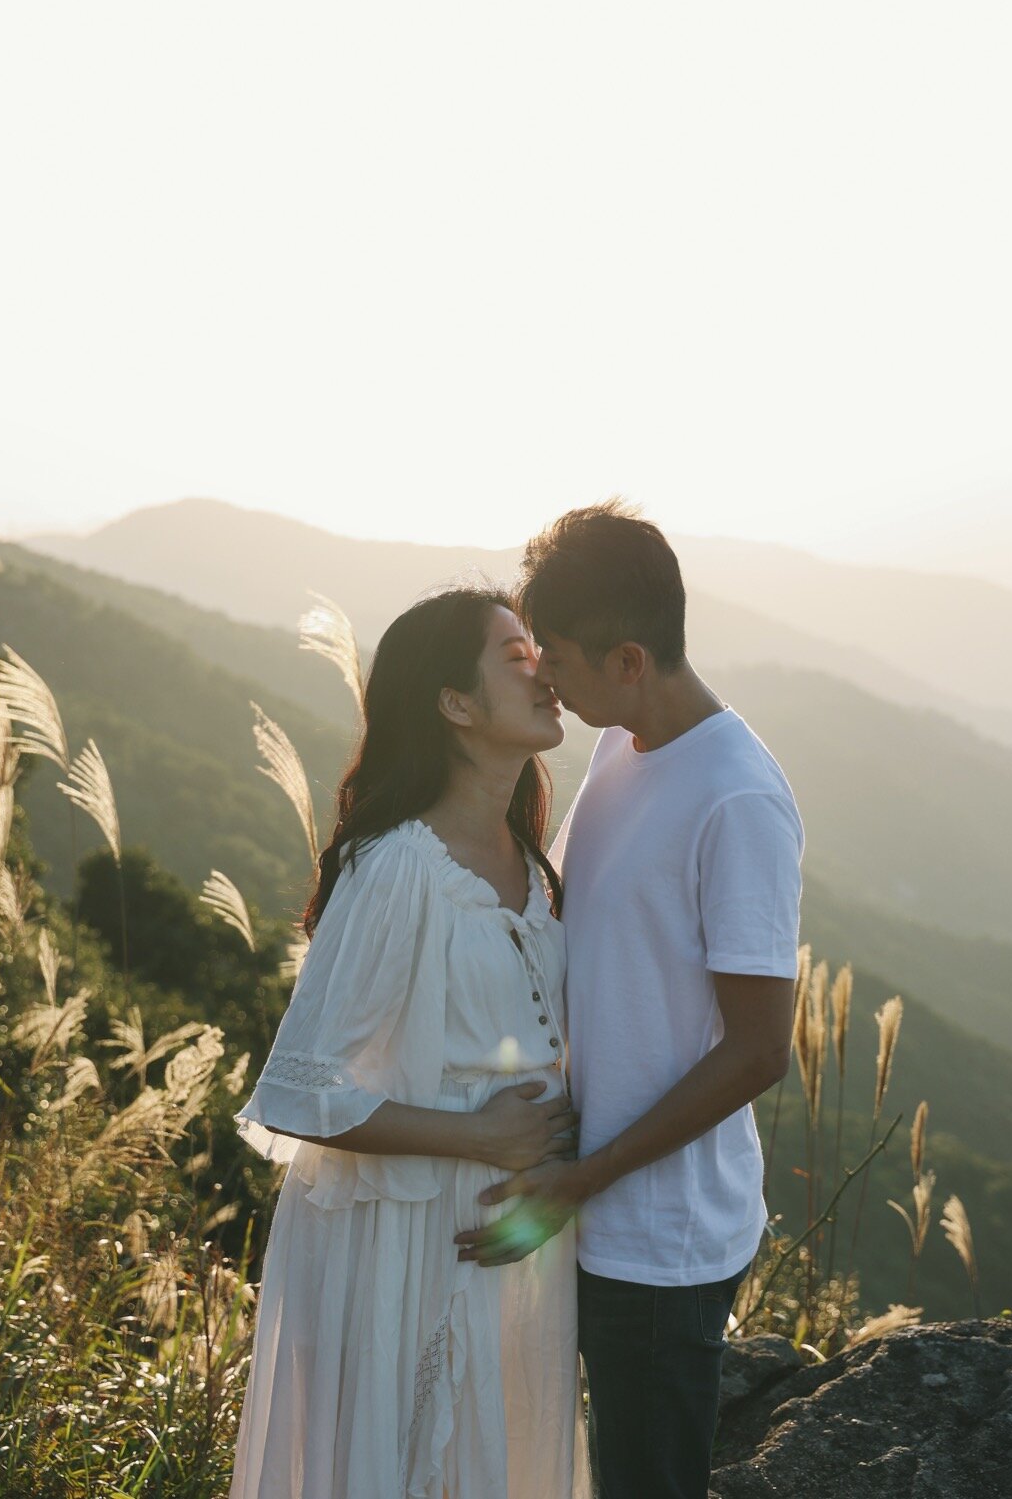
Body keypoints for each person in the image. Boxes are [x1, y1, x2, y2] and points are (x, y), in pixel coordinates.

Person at [455, 502, 803, 1499]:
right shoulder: (618, 747)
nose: (540, 676)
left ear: (628, 659)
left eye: (554, 655)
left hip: (661, 1236)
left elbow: (756, 1052)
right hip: (596, 1203)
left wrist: (588, 1174)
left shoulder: (735, 797)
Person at [229, 587, 590, 1499]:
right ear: (454, 702)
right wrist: (480, 1137)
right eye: (516, 655)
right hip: (405, 1239)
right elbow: (300, 1091)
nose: (544, 669)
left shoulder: (531, 863)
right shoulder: (396, 866)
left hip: (515, 1233)